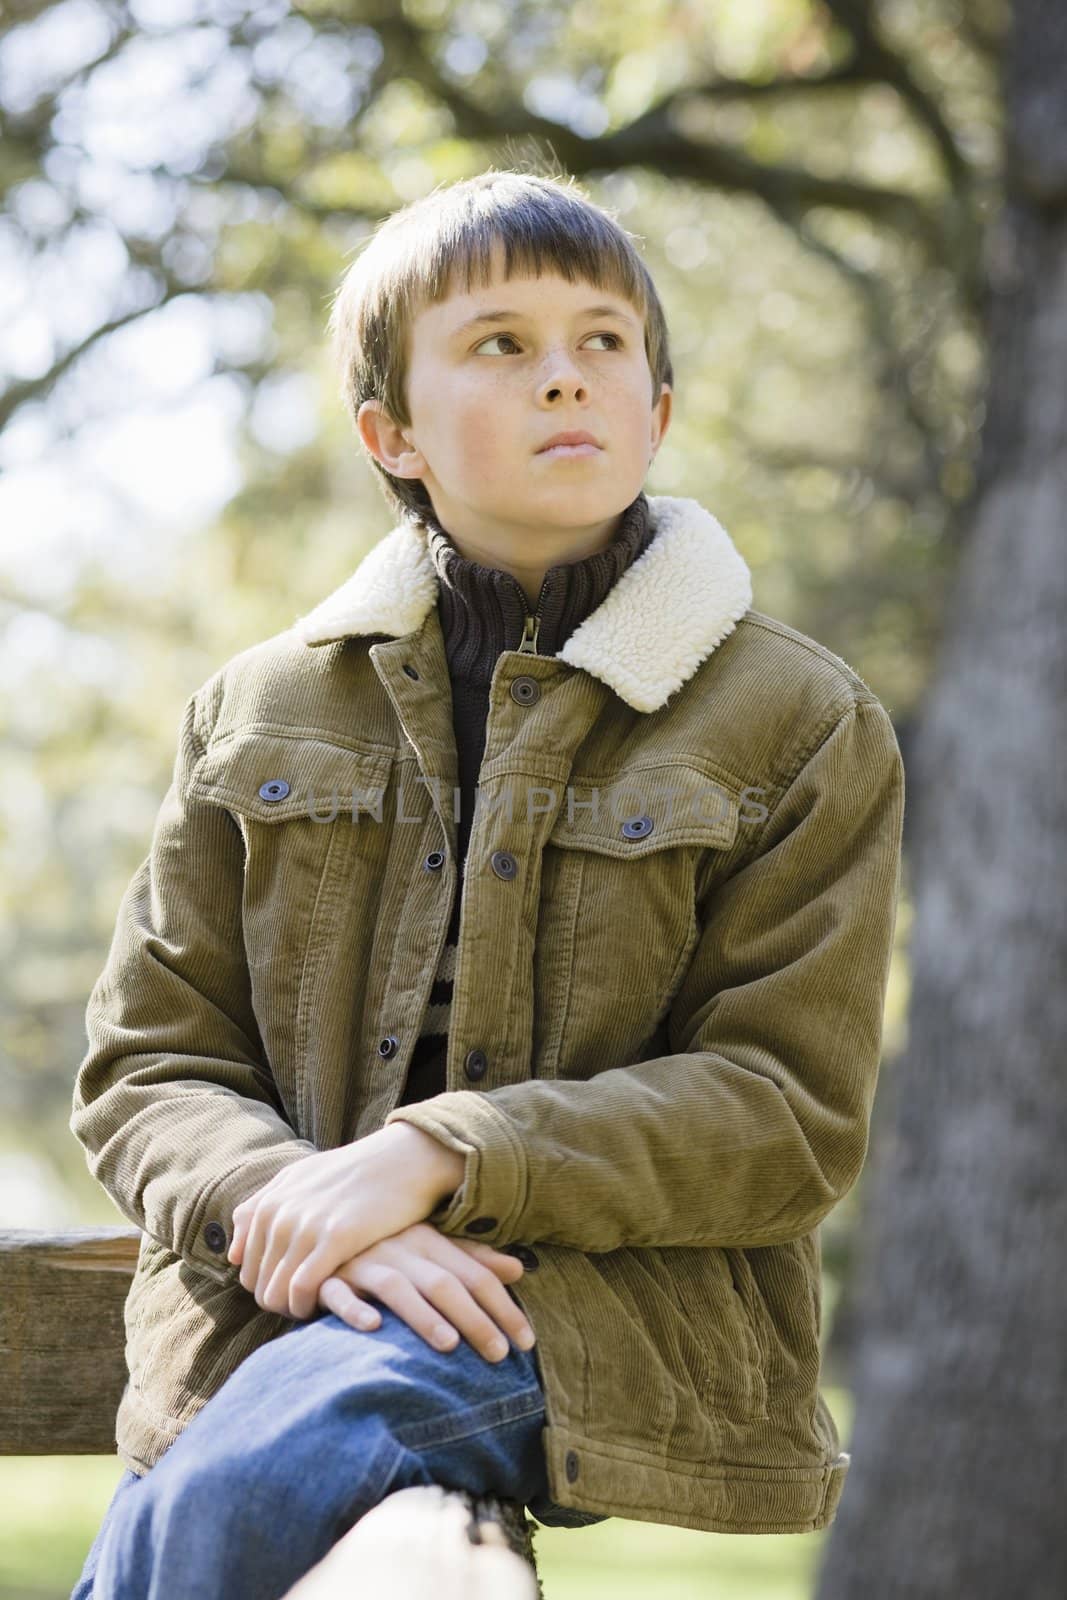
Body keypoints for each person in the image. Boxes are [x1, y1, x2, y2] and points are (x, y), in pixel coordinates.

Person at [70, 167, 905, 1598]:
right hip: (278, 1311)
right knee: (277, 1433)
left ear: (658, 409)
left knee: (282, 1448)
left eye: (602, 343)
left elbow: (785, 1112)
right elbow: (150, 1063)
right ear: (390, 431)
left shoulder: (800, 722)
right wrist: (299, 1209)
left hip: (589, 1319)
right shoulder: (256, 707)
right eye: (502, 345)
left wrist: (439, 1159)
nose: (565, 380)